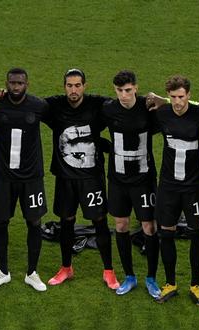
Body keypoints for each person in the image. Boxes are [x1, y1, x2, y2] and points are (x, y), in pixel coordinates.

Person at [43, 68, 120, 290]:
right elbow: (29, 105)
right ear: (64, 86)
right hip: (65, 178)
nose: (73, 90)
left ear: (84, 86)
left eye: (78, 85)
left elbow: (124, 106)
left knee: (99, 222)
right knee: (66, 222)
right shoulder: (55, 105)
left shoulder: (98, 105)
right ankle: (66, 268)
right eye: (69, 85)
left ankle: (109, 271)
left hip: (91, 177)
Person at [0, 67, 50, 292]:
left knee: (34, 222)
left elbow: (60, 119)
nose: (15, 87)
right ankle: (3, 272)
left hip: (32, 178)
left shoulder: (38, 106)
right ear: (6, 83)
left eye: (20, 83)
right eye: (12, 83)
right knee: (0, 221)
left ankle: (32, 273)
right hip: (4, 177)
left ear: (27, 84)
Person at [100, 70, 160, 298]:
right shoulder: (108, 109)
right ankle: (130, 276)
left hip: (144, 180)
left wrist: (162, 100)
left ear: (136, 87)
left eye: (127, 90)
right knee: (121, 225)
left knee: (149, 227)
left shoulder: (148, 106)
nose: (124, 95)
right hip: (117, 180)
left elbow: (175, 113)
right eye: (119, 91)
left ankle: (151, 278)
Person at [149, 75, 199, 304]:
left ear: (189, 95)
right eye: (173, 97)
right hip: (169, 187)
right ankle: (171, 283)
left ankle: (195, 285)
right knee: (166, 233)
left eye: (181, 97)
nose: (177, 102)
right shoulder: (162, 114)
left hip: (194, 187)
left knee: (196, 234)